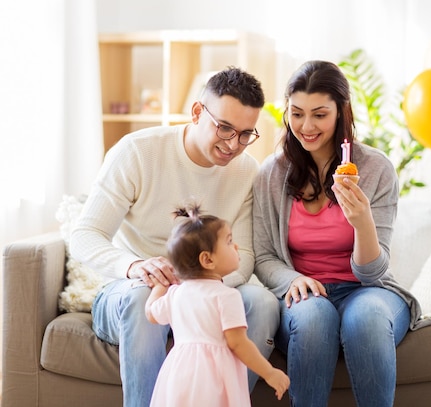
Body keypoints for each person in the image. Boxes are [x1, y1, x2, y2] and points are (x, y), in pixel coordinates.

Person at [70, 66, 280, 407]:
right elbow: (85, 235)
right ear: (197, 112)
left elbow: (244, 259)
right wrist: (137, 266)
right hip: (133, 290)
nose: (233, 145)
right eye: (224, 128)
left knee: (263, 303)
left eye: (245, 134)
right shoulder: (138, 152)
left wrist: (192, 287)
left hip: (205, 295)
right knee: (141, 299)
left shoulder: (246, 171)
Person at [252, 60, 431, 407]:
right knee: (314, 318)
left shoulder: (375, 169)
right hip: (305, 295)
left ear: (341, 111)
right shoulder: (272, 175)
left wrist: (362, 220)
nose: (306, 126)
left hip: (367, 290)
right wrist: (291, 279)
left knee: (364, 320)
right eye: (297, 113)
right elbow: (263, 255)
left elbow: (372, 271)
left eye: (320, 114)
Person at [145, 203, 289, 406]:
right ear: (208, 260)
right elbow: (238, 343)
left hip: (179, 374)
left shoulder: (176, 294)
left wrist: (160, 285)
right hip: (213, 377)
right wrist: (269, 372)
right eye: (229, 242)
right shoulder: (226, 296)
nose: (236, 246)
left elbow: (151, 313)